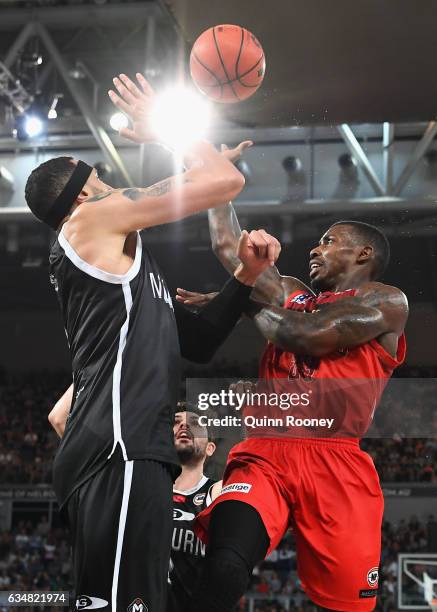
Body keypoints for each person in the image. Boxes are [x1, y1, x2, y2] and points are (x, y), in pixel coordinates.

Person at [25, 72, 281, 612]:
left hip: (122, 448)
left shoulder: (128, 276)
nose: (114, 181)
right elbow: (225, 183)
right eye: (100, 175)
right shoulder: (88, 220)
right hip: (124, 448)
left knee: (126, 602)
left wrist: (245, 276)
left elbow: (203, 341)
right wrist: (180, 141)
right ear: (83, 190)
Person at [177, 204, 409, 611]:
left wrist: (242, 305)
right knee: (226, 562)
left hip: (335, 461)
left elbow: (309, 335)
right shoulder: (292, 294)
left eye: (329, 242)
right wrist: (211, 178)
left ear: (363, 254)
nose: (315, 251)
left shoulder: (386, 300)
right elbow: (232, 249)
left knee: (347, 606)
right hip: (266, 454)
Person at [168, 406, 222, 612]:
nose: (184, 425)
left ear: (210, 448)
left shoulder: (219, 491)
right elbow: (59, 420)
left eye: (196, 423)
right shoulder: (140, 486)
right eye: (176, 421)